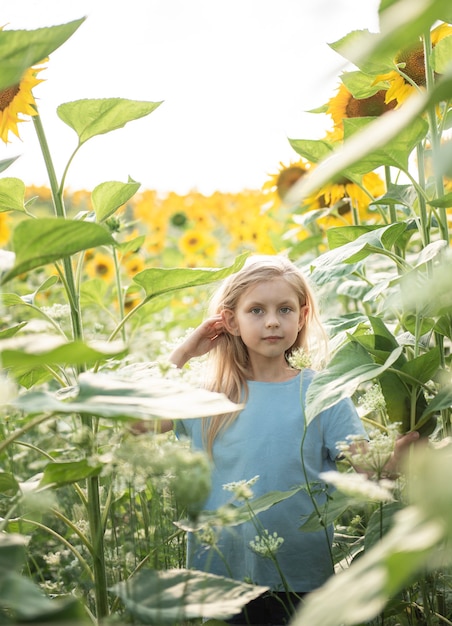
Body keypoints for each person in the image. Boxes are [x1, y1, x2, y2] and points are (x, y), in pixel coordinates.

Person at [166, 254, 418, 626]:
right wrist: (185, 352)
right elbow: (141, 423)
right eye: (256, 310)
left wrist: (403, 455)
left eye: (284, 309)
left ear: (301, 317)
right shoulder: (207, 396)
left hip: (300, 575)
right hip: (221, 575)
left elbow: (369, 468)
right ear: (230, 321)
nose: (272, 321)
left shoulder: (322, 391)